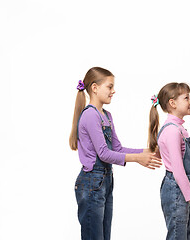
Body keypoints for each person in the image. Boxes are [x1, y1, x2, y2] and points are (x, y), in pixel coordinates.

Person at [69, 67, 162, 240]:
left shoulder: (107, 115)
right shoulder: (90, 115)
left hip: (105, 181)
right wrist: (137, 159)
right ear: (95, 88)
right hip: (91, 183)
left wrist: (148, 152)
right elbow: (104, 154)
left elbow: (117, 149)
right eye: (110, 87)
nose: (113, 91)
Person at [148, 82, 190, 240]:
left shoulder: (177, 128)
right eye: (186, 98)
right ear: (172, 103)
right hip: (177, 192)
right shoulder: (173, 130)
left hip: (181, 192)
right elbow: (179, 171)